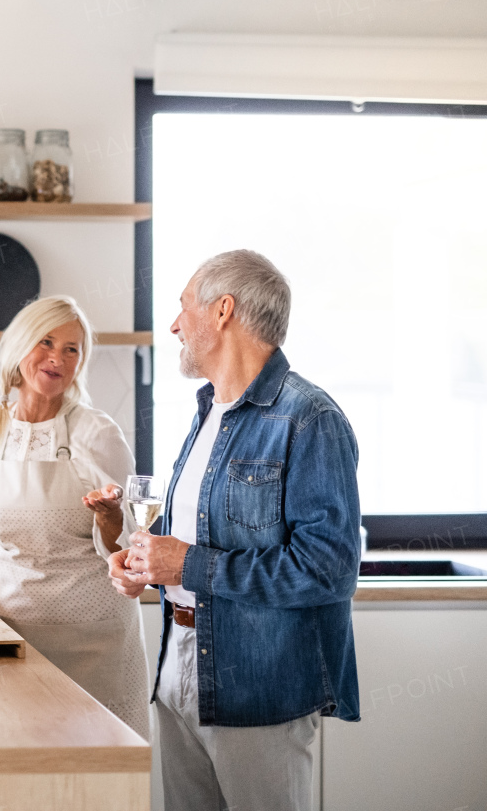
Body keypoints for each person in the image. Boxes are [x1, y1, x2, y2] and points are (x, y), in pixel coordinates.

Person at [110, 250, 361, 811]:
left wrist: (185, 565)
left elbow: (328, 570)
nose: (174, 325)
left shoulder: (309, 418)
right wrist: (147, 568)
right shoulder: (205, 414)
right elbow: (192, 547)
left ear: (223, 310)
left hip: (258, 684)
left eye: (182, 307)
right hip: (177, 668)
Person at [0, 295, 150, 739]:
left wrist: (109, 519)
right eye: (47, 342)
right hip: (19, 633)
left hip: (96, 640)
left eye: (73, 349)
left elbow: (132, 542)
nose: (58, 358)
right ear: (20, 346)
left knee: (98, 773)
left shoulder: (97, 432)